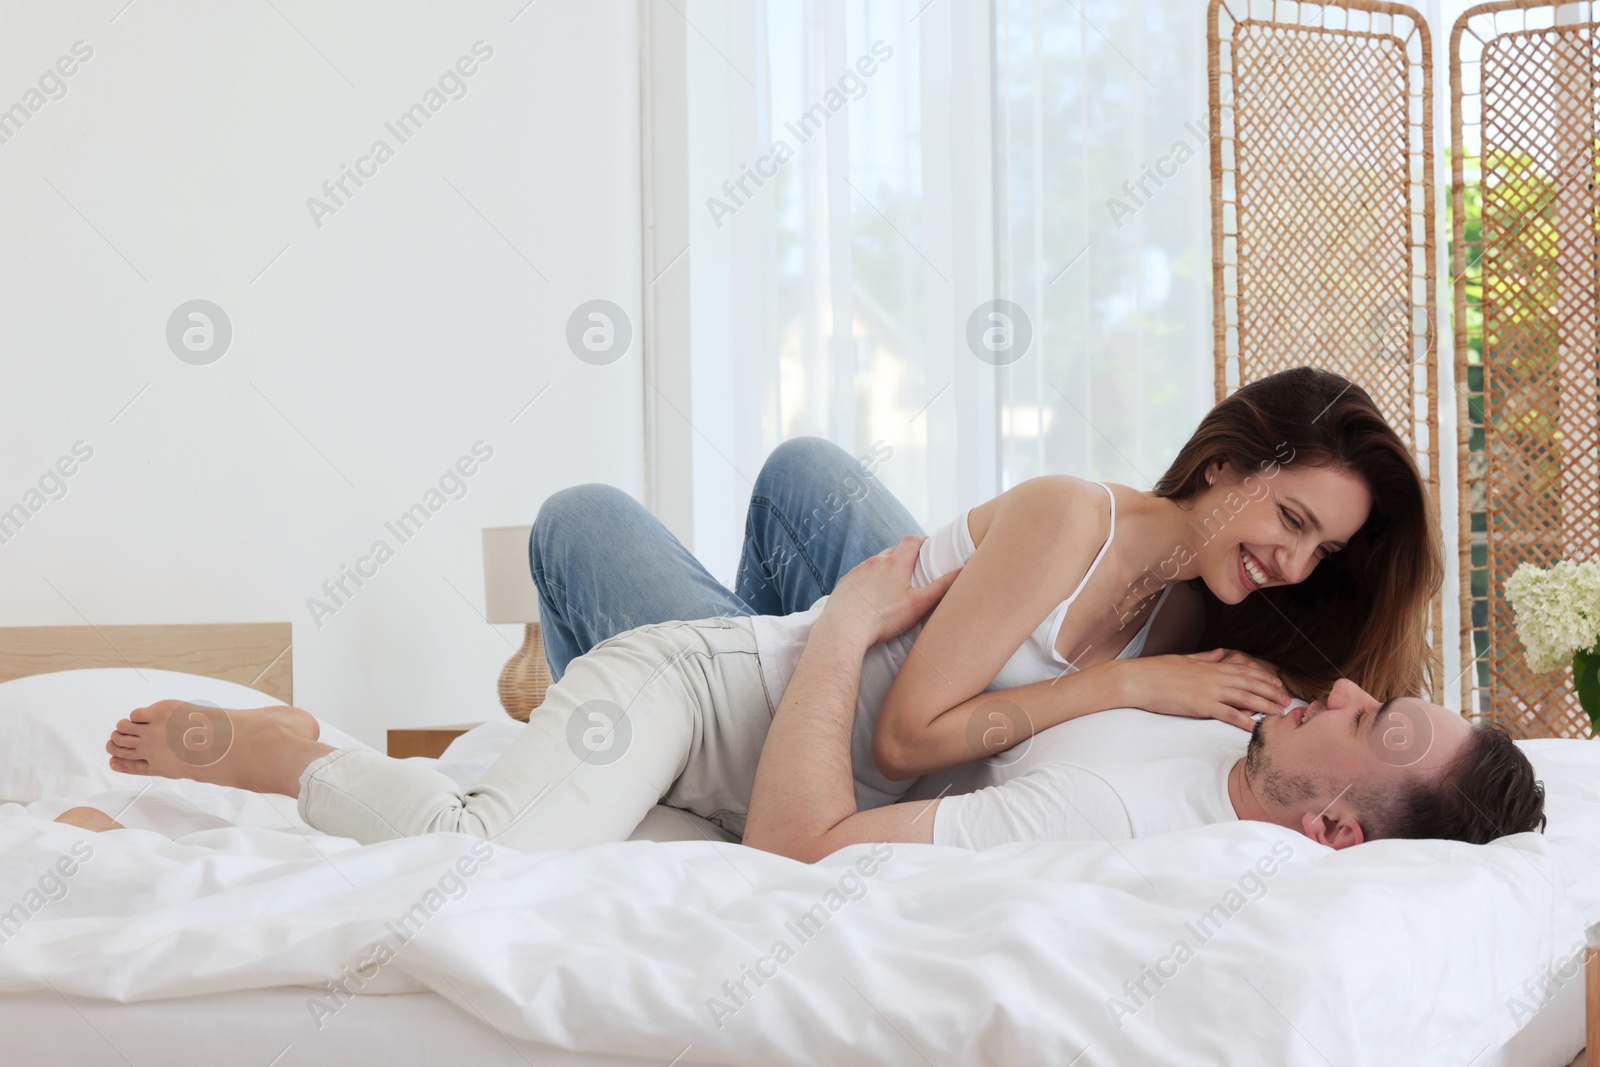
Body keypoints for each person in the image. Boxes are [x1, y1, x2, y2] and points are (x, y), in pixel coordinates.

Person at [99, 538, 1545, 860]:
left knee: (551, 873)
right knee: (482, 860)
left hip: (747, 784)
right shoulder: (1217, 709)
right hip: (703, 691)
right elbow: (826, 842)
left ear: (1345, 830)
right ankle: (301, 751)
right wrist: (851, 623)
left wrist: (852, 635)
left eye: (1379, 721)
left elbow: (819, 847)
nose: (1350, 685)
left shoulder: (1128, 815)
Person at [530, 367, 1442, 796]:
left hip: (839, 739)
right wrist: (1125, 681)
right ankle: (620, 768)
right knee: (579, 521)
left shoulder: (1194, 620)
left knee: (802, 470)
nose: (1293, 564)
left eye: (1321, 551)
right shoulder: (1072, 518)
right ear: (1224, 463)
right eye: (1290, 520)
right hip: (773, 710)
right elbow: (900, 740)